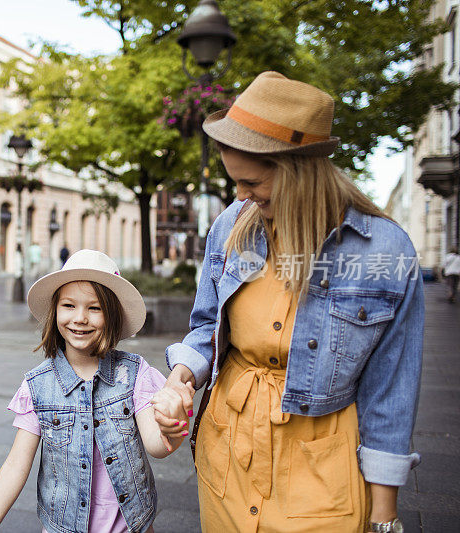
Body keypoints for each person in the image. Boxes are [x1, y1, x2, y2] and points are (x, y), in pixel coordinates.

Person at [153, 72, 423, 533]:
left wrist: (384, 514)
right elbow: (206, 328)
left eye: (251, 181)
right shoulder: (232, 226)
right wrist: (181, 379)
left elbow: (390, 391)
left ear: (300, 172)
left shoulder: (385, 252)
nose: (240, 195)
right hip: (227, 457)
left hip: (322, 473)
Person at [0, 250, 185, 533]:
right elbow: (16, 464)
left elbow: (155, 445)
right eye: (69, 305)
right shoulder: (38, 386)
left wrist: (170, 430)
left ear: (112, 316)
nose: (80, 318)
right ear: (55, 312)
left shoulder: (134, 373)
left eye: (95, 308)